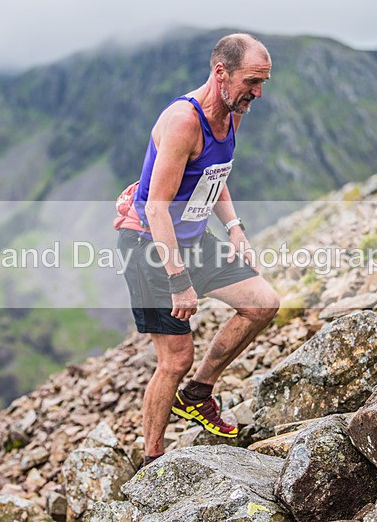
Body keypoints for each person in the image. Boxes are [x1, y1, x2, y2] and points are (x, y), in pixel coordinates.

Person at [115, 33, 279, 468]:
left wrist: (235, 228)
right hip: (150, 244)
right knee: (175, 358)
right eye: (253, 81)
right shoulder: (183, 121)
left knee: (263, 304)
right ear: (220, 72)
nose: (258, 93)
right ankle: (152, 459)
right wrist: (179, 280)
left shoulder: (233, 110)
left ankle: (198, 394)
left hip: (193, 238)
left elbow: (215, 174)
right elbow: (155, 207)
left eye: (263, 82)